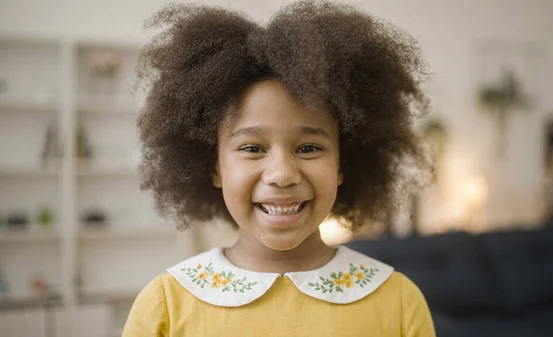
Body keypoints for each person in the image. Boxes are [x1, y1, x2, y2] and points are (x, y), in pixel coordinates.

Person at [123, 1, 435, 336]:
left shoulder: (398, 301)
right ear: (214, 167)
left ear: (343, 163)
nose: (283, 174)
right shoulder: (165, 305)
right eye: (253, 148)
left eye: (309, 148)